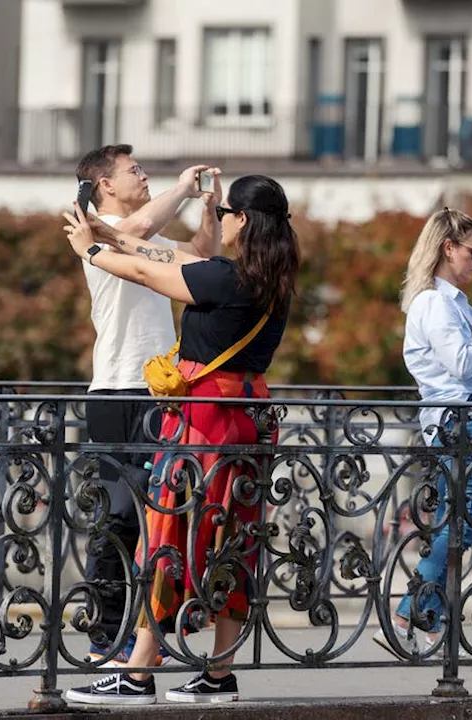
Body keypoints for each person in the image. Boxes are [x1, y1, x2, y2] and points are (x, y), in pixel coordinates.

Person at [61, 174, 300, 705]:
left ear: (241, 221)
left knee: (169, 530)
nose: (221, 222)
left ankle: (137, 672)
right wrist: (110, 234)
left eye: (225, 214)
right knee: (232, 541)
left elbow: (149, 272)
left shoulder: (226, 279)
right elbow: (160, 256)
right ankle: (219, 674)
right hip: (249, 418)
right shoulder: (271, 280)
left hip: (204, 422)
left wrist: (92, 250)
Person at [72, 144, 221, 669]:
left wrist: (209, 210)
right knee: (116, 518)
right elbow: (131, 232)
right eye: (134, 170)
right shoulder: (93, 227)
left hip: (158, 392)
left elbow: (201, 259)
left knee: (161, 517)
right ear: (105, 184)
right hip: (116, 391)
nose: (144, 175)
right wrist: (181, 188)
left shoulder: (146, 231)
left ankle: (144, 638)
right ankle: (103, 639)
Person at [371, 208, 472, 659]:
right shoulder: (434, 303)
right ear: (448, 249)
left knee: (464, 522)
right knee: (462, 522)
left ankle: (426, 616)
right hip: (458, 419)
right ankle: (407, 612)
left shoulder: (456, 303)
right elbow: (460, 364)